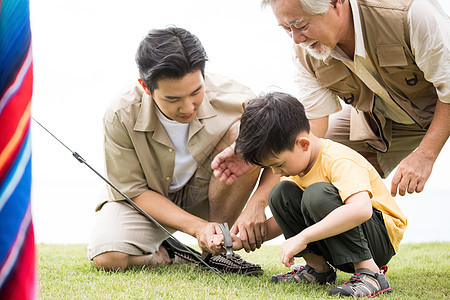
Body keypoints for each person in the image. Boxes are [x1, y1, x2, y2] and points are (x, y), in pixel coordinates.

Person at [87, 27, 279, 274]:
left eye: (196, 92)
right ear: (146, 87)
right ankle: (168, 253)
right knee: (107, 257)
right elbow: (133, 190)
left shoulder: (238, 98)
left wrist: (259, 200)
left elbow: (283, 147)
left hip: (210, 195)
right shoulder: (120, 113)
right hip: (148, 200)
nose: (187, 107)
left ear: (203, 75)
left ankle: (216, 254)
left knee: (244, 135)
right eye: (172, 98)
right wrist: (197, 227)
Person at [214, 0, 449, 197]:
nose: (296, 39)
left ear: (336, 2)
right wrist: (256, 155)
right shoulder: (305, 52)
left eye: (301, 25)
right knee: (313, 166)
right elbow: (312, 129)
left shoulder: (410, 13)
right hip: (385, 119)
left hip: (443, 104)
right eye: (286, 29)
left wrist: (425, 155)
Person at [215, 92, 406, 297]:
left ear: (303, 144)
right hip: (342, 240)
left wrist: (303, 237)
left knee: (317, 194)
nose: (277, 172)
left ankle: (370, 273)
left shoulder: (338, 159)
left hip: (378, 240)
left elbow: (361, 209)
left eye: (278, 165)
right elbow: (283, 221)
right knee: (280, 193)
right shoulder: (296, 170)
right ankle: (318, 270)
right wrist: (239, 241)